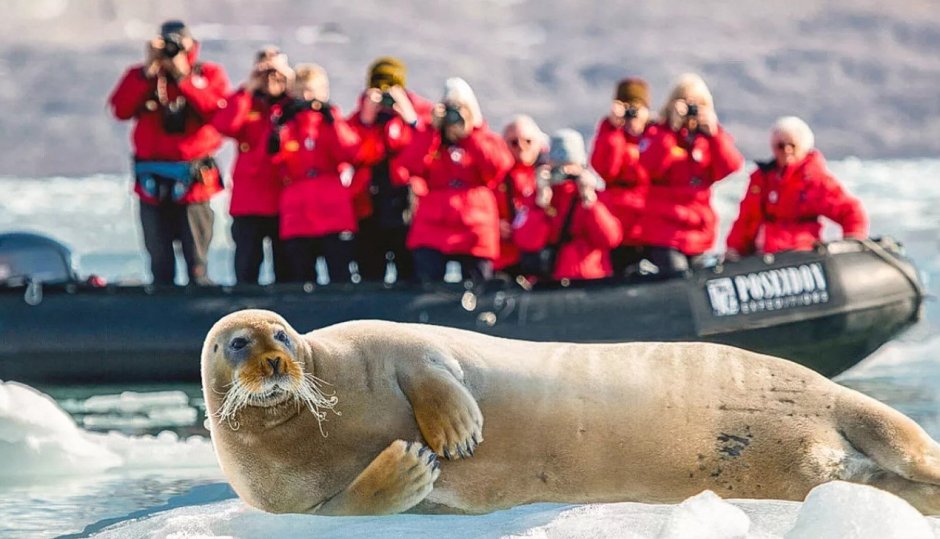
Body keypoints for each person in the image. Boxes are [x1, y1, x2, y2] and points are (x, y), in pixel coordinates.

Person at [108, 20, 230, 286]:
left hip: (192, 182)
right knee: (160, 262)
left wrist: (184, 77)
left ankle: (199, 305)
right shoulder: (143, 75)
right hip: (151, 182)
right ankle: (161, 311)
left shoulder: (208, 74)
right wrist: (148, 73)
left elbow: (218, 112)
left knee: (196, 260)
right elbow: (120, 109)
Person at [402, 77, 514, 286]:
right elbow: (411, 165)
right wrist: (432, 131)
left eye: (460, 108)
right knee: (426, 281)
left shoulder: (485, 138)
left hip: (475, 225)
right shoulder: (432, 139)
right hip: (433, 223)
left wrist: (470, 135)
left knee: (479, 282)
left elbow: (498, 167)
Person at [637, 73, 744, 278]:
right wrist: (672, 128)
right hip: (665, 230)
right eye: (686, 102)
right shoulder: (657, 132)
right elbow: (650, 166)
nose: (691, 110)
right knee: (678, 276)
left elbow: (731, 166)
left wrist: (715, 134)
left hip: (699, 229)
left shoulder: (708, 139)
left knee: (700, 279)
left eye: (697, 104)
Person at [725, 116, 868, 258]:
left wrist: (852, 245)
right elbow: (746, 220)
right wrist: (734, 249)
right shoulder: (761, 179)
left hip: (801, 256)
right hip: (763, 257)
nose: (786, 150)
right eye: (780, 146)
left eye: (792, 145)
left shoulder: (815, 179)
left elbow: (851, 211)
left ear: (803, 147)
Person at [212, 46, 294, 284]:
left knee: (286, 269)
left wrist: (290, 82)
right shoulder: (246, 103)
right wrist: (248, 87)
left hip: (285, 199)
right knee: (247, 267)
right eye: (264, 70)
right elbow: (224, 126)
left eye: (275, 70)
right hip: (250, 200)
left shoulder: (294, 106)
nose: (271, 77)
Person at [348, 57, 433, 283]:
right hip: (369, 205)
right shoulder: (359, 119)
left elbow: (426, 157)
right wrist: (366, 121)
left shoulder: (422, 114)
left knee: (410, 270)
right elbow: (352, 153)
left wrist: (411, 120)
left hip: (407, 205)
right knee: (369, 270)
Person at [273, 64, 361, 283]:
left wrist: (333, 121)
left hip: (332, 209)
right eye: (301, 91)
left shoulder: (332, 122)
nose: (306, 97)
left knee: (340, 274)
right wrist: (278, 129)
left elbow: (351, 153)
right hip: (298, 211)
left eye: (311, 91)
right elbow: (275, 162)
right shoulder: (285, 124)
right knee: (301, 275)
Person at [513, 129, 623, 282]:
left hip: (591, 279)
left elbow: (610, 239)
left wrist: (589, 201)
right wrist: (541, 204)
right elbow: (526, 242)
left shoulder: (597, 196)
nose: (565, 174)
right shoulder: (537, 197)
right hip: (550, 280)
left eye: (570, 167)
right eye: (559, 168)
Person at [590, 77, 652, 277]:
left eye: (636, 107)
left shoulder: (656, 134)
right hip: (618, 225)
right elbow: (606, 169)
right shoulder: (610, 133)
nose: (631, 114)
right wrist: (613, 130)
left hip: (649, 225)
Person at [495, 115, 546, 277]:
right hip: (504, 259)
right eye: (514, 142)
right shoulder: (493, 177)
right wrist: (493, 225)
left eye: (528, 141)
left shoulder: (548, 177)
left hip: (541, 258)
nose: (521, 147)